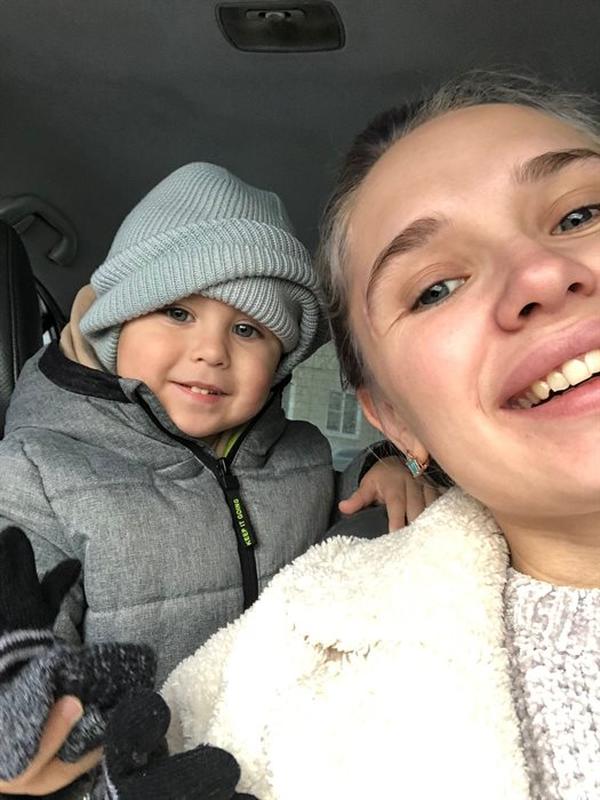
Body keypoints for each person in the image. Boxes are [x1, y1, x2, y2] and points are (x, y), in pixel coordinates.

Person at [161, 73, 600, 800]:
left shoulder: (303, 462)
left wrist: (380, 466)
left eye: (582, 214)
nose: (541, 276)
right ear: (395, 416)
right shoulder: (280, 663)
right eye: (435, 289)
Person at [0, 163, 428, 795]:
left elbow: (339, 515)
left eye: (248, 329)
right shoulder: (35, 471)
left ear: (280, 363)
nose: (212, 350)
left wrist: (381, 466)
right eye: (177, 312)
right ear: (115, 323)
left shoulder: (301, 456)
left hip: (293, 758)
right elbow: (24, 655)